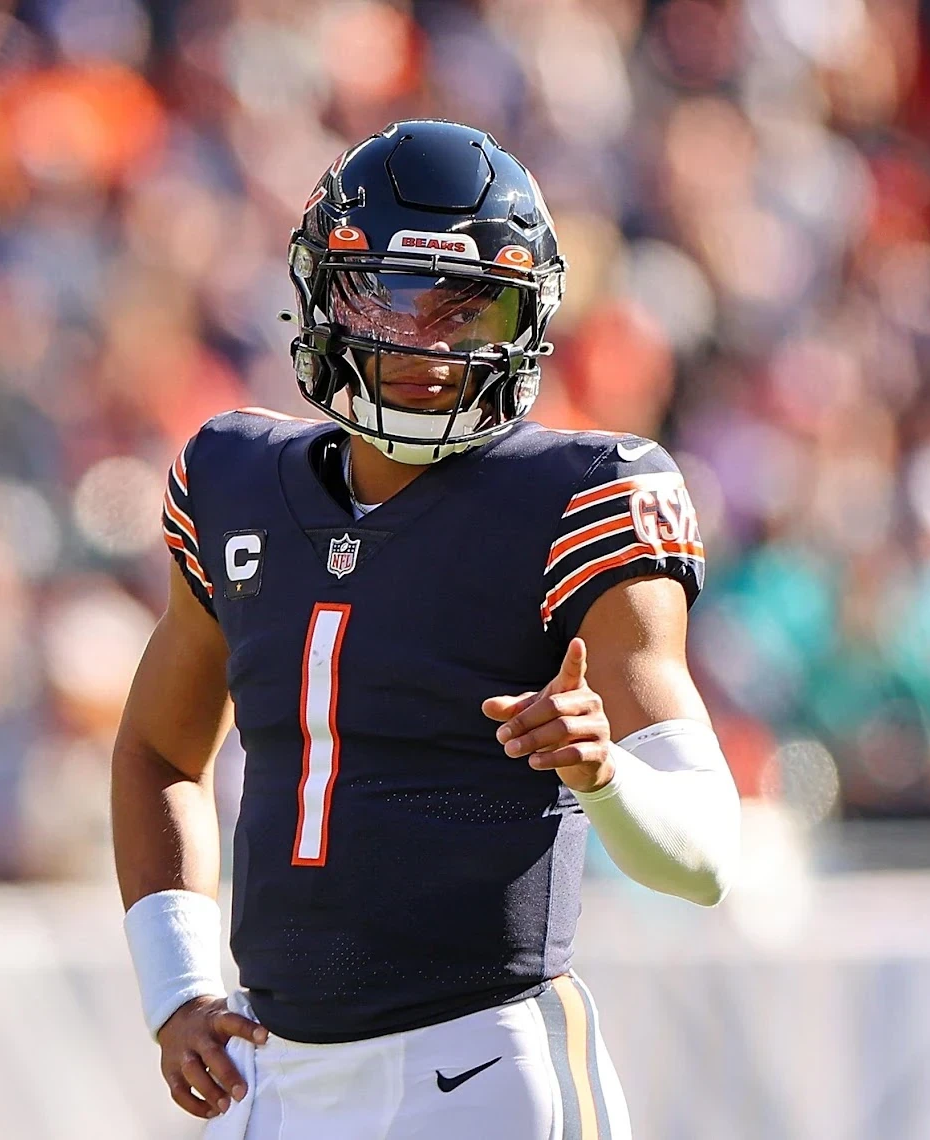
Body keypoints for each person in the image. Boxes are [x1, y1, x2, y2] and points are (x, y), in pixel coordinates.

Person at [111, 119, 741, 1139]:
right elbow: (155, 752)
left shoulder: (582, 496)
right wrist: (176, 985)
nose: (425, 341)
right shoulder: (231, 481)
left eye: (467, 305)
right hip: (271, 1077)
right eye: (384, 296)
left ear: (524, 315)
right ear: (322, 292)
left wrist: (604, 775)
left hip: (483, 1071)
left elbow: (704, 858)